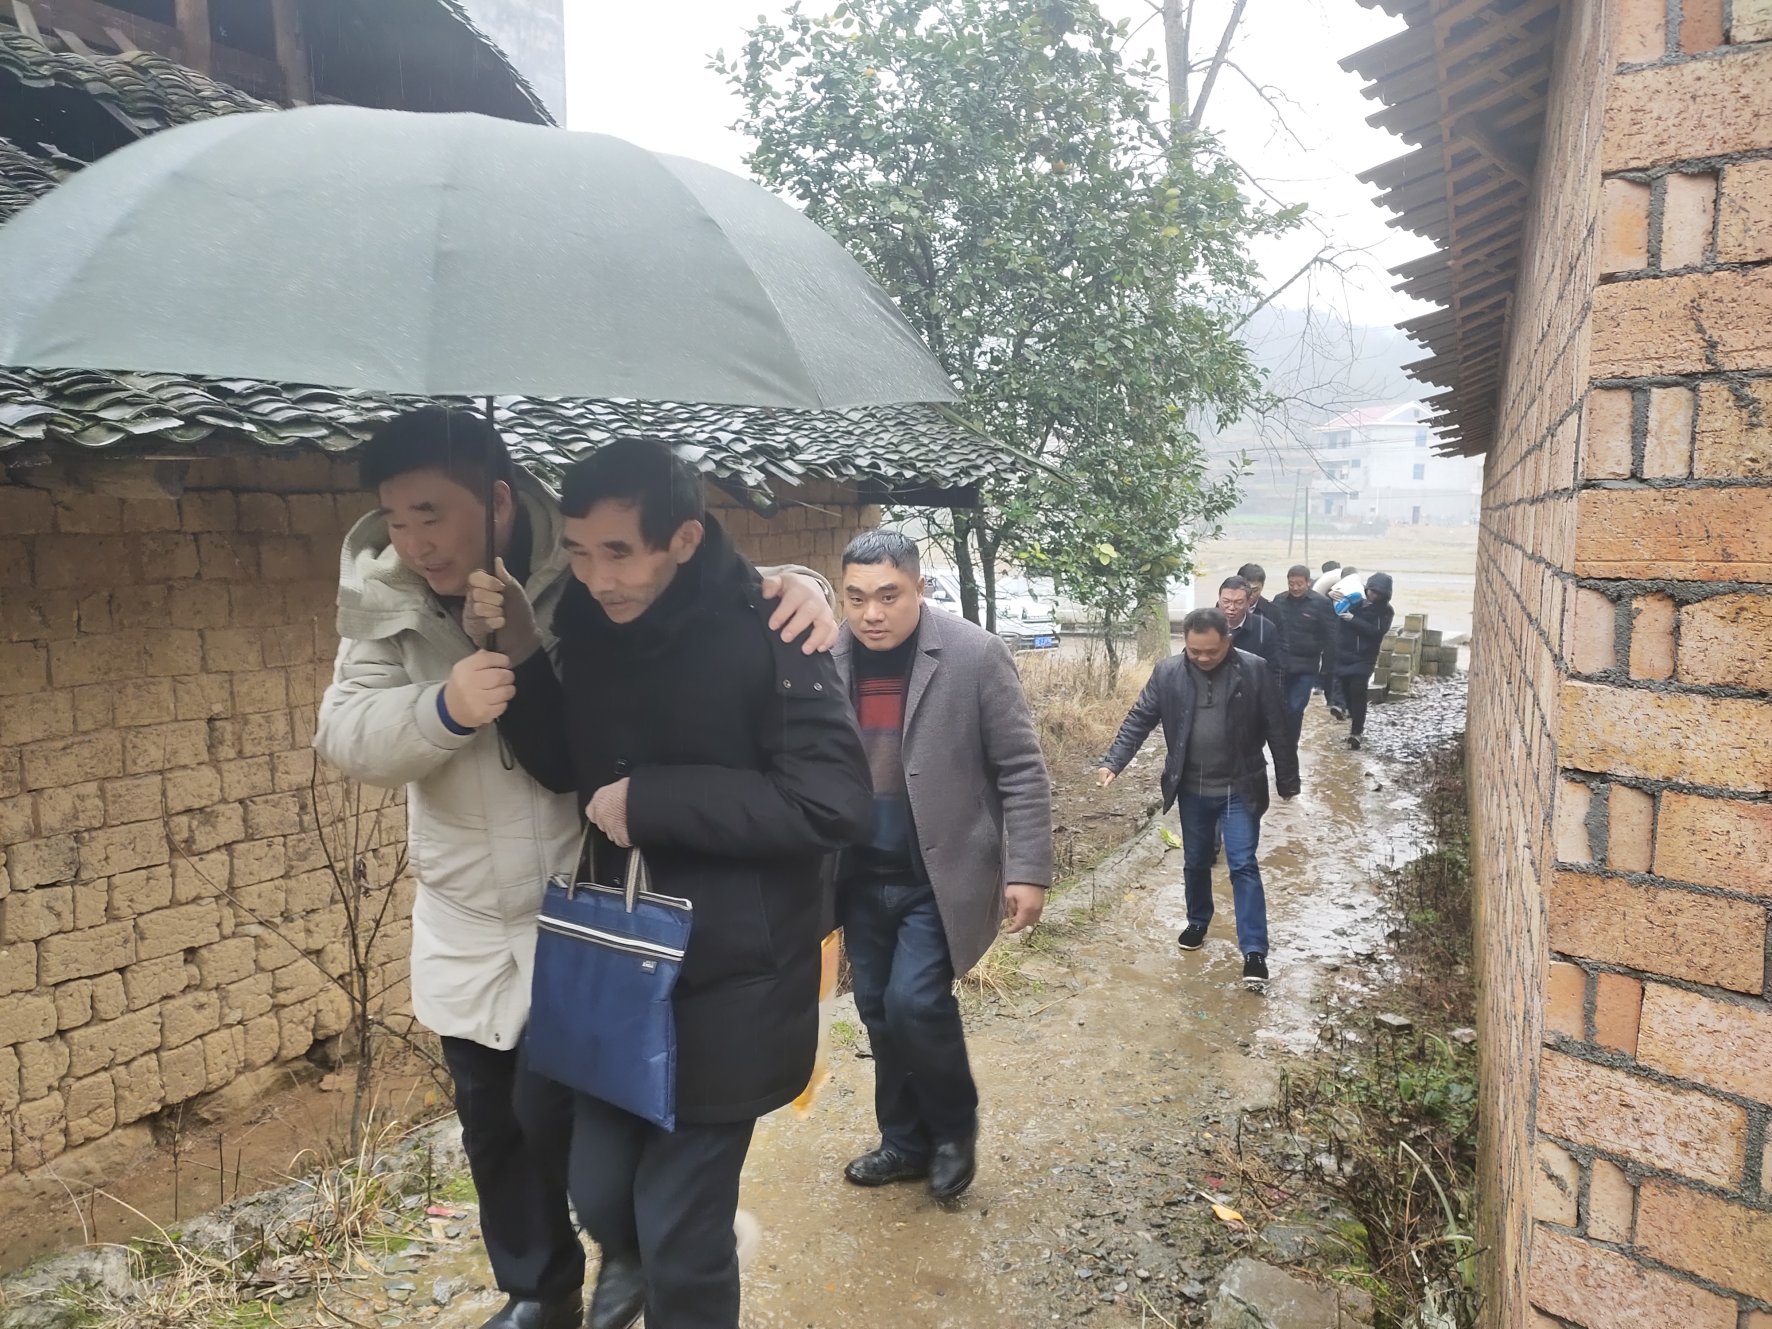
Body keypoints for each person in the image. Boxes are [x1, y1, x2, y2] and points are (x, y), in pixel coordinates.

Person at [313, 408, 837, 1329]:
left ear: (497, 501)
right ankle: (542, 1288)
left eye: (432, 514)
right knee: (508, 1129)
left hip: (605, 912)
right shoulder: (391, 599)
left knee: (599, 1145)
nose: (415, 541)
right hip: (486, 911)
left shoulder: (587, 576)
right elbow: (349, 732)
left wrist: (803, 585)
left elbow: (696, 584)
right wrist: (447, 703)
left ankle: (649, 1255)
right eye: (395, 518)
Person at [470, 438, 872, 1329]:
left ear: (684, 540)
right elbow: (565, 764)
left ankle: (686, 1274)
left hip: (732, 977)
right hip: (622, 964)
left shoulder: (776, 629)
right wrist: (519, 647)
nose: (596, 576)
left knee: (680, 1234)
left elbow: (834, 801)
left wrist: (653, 800)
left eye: (620, 551)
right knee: (599, 1191)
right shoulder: (591, 620)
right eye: (579, 551)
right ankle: (658, 1260)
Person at [832, 532, 1052, 1202]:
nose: (872, 613)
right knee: (877, 1008)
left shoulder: (972, 654)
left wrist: (1028, 868)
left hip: (939, 873)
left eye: (888, 595)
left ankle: (955, 1128)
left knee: (916, 1001)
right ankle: (904, 1142)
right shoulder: (823, 658)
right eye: (856, 598)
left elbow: (1021, 768)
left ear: (919, 589)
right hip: (857, 873)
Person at [1095, 609, 1299, 990]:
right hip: (1191, 789)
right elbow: (1140, 717)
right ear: (1185, 644)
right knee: (1195, 860)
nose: (1203, 658)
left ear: (1228, 642)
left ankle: (1254, 950)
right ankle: (1198, 921)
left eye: (1211, 651)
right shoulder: (1168, 673)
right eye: (1194, 651)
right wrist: (1114, 761)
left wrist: (1288, 780)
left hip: (1239, 788)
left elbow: (1278, 727)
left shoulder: (1254, 671)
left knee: (1243, 864)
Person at [1272, 563, 1340, 746]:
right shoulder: (1279, 601)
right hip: (1281, 665)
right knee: (1279, 709)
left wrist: (1327, 668)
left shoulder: (1321, 603)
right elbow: (1270, 630)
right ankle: (1280, 746)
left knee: (1295, 708)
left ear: (1308, 583)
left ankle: (1290, 746)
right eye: (1291, 584)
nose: (1295, 588)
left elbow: (1331, 637)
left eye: (1299, 584)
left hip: (1306, 666)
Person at [1328, 572, 1395, 748]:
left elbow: (1376, 631)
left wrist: (1353, 620)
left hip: (1364, 657)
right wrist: (1331, 595)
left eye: (1378, 593)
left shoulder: (1386, 611)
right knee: (1343, 687)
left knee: (1358, 691)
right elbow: (1333, 608)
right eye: (1372, 591)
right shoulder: (1354, 600)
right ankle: (1343, 709)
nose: (1374, 595)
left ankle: (1356, 732)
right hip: (1343, 652)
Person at [1218, 575, 1278, 668]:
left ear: (1249, 602)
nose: (1231, 607)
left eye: (1238, 602)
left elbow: (1274, 668)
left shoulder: (1265, 629)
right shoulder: (1206, 624)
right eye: (1226, 601)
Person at [1237, 562, 1279, 628]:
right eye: (1246, 590)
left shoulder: (1273, 612)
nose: (1250, 594)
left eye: (1255, 590)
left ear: (1262, 586)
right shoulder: (1226, 608)